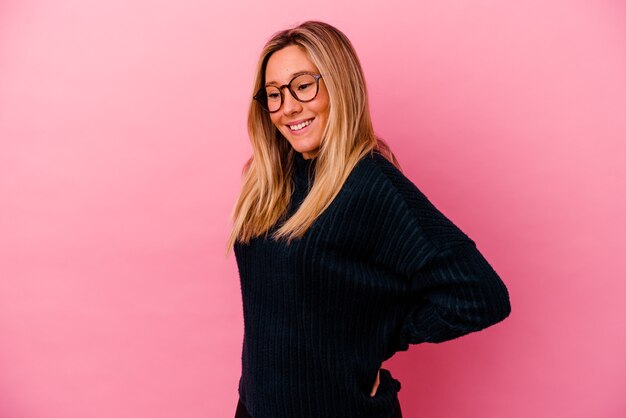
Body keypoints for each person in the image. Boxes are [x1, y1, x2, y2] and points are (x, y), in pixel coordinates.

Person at [225, 20, 511, 418]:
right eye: (273, 94)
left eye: (303, 86)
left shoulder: (368, 182)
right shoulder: (268, 181)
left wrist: (377, 337)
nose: (287, 106)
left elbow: (480, 295)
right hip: (256, 407)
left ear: (339, 86)